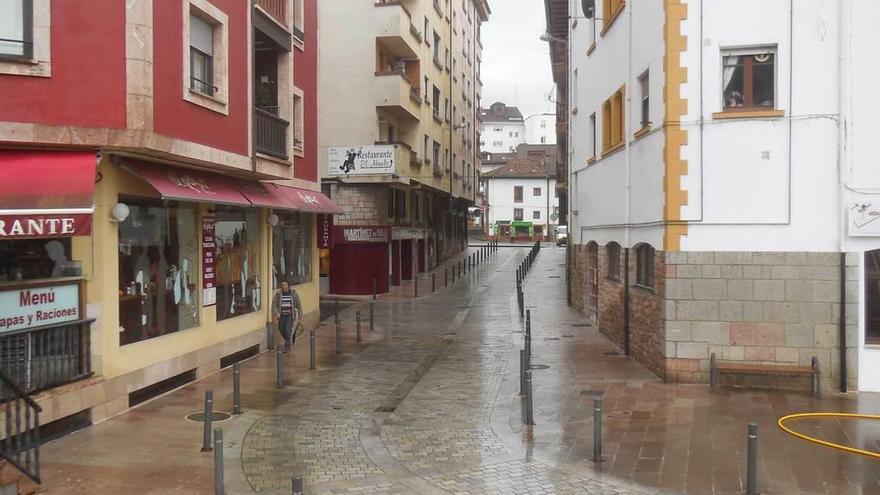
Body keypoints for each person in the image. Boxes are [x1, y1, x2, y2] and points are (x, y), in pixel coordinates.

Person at [272, 280, 303, 352]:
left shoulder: (293, 294)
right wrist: (277, 313)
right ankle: (288, 340)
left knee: (287, 329)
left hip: (290, 315)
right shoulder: (278, 294)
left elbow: (299, 305)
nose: (284, 286)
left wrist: (300, 316)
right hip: (281, 315)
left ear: (288, 286)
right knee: (281, 328)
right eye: (282, 285)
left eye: (285, 285)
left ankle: (287, 346)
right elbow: (274, 304)